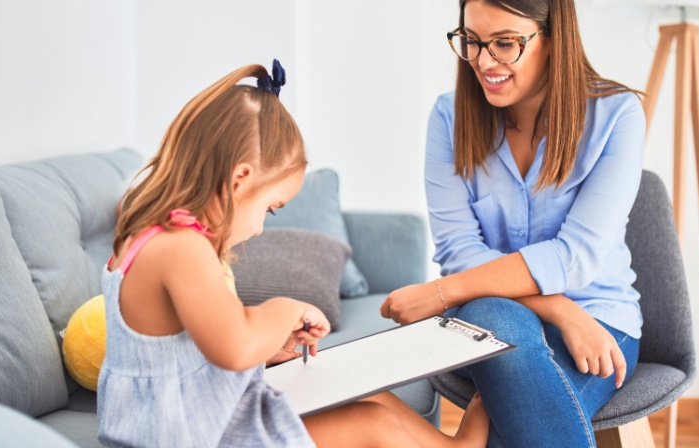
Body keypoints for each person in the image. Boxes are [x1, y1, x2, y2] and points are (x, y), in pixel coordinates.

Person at [96, 60, 490, 448]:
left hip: (198, 418)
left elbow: (182, 360)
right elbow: (233, 346)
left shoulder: (154, 238)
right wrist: (283, 309)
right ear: (240, 179)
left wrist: (265, 350)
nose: (260, 229)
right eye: (270, 208)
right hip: (195, 434)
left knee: (360, 391)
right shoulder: (181, 247)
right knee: (372, 423)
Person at [380, 1, 645, 446]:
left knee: (506, 428)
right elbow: (459, 250)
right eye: (471, 41)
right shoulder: (448, 118)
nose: (484, 62)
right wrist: (560, 309)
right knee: (494, 313)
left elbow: (574, 257)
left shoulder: (617, 115)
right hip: (506, 318)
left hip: (599, 322)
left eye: (505, 43)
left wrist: (438, 294)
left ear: (555, 38)